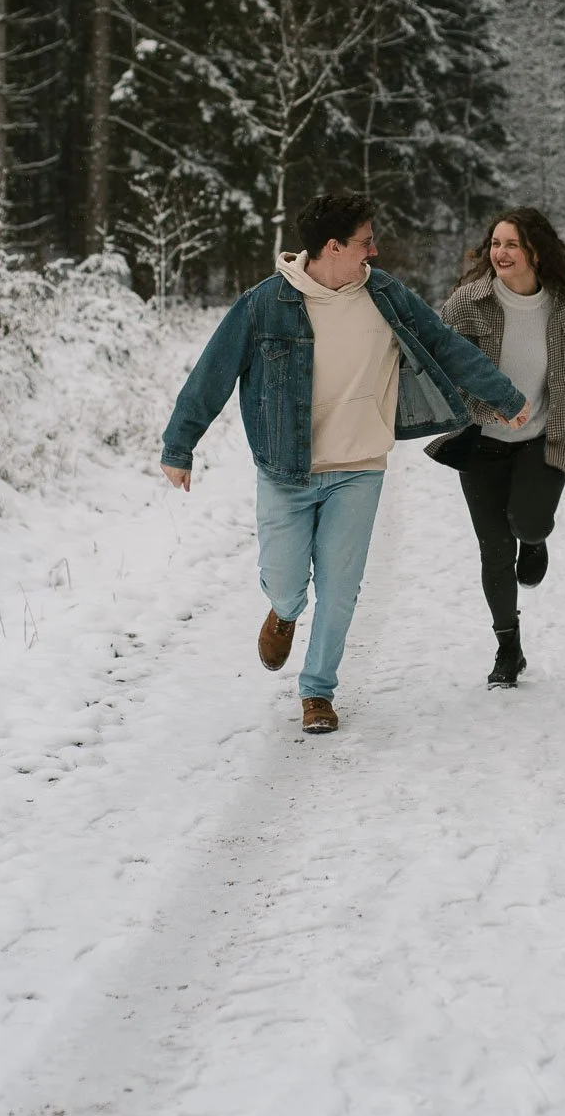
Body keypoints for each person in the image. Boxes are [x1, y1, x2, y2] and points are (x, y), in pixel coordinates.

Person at [160, 190, 530, 734]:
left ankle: (317, 692)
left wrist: (504, 395)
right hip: (286, 470)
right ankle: (283, 613)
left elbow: (446, 346)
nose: (373, 252)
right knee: (287, 581)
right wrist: (180, 444)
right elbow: (213, 371)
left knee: (340, 584)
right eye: (365, 242)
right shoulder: (266, 302)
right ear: (332, 247)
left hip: (359, 466)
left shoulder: (386, 296)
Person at [428, 208, 565, 688]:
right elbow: (440, 364)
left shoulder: (563, 307)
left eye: (511, 244)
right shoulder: (466, 304)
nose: (500, 253)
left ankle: (534, 541)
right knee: (494, 551)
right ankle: (508, 649)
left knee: (529, 522)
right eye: (495, 243)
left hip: (543, 438)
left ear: (535, 252)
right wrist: (487, 406)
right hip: (481, 444)